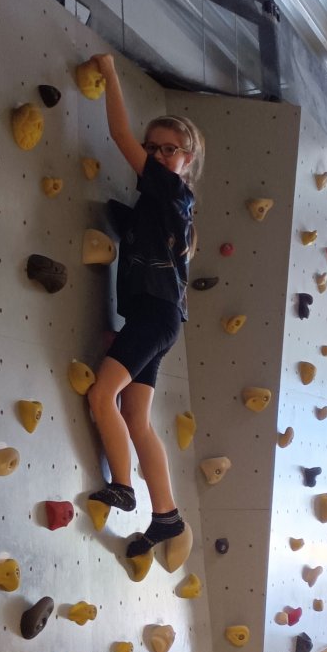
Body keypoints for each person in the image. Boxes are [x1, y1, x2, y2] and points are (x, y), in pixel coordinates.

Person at [85, 52, 204, 560]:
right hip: (157, 317)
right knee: (136, 417)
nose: (155, 155)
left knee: (102, 395)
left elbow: (119, 134)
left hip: (155, 315)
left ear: (186, 160)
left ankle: (123, 486)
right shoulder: (162, 204)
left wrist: (111, 74)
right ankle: (167, 515)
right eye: (152, 147)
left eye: (167, 149)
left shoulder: (171, 190)